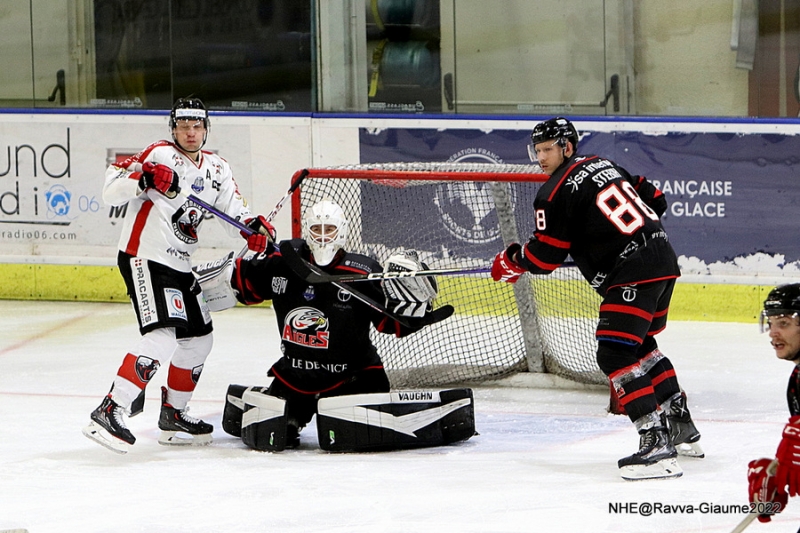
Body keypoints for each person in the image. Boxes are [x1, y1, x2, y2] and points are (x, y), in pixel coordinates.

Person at [490, 116, 702, 480]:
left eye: (547, 149)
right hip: (663, 260)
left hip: (631, 271)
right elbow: (655, 199)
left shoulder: (553, 191)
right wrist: (600, 234)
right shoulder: (604, 164)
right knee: (640, 345)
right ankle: (681, 425)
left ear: (567, 147)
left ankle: (656, 443)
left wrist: (512, 262)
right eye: (537, 150)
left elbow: (546, 257)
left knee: (614, 352)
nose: (540, 157)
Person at [83, 97, 275, 454]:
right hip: (146, 257)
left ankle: (173, 414)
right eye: (183, 126)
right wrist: (143, 180)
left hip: (180, 265)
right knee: (163, 335)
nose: (190, 132)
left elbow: (234, 210)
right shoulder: (157, 154)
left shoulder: (217, 169)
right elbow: (111, 189)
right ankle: (111, 408)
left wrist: (252, 227)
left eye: (197, 126)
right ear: (173, 129)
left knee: (200, 339)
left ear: (206, 129)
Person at [224, 199, 454, 449]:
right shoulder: (284, 262)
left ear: (341, 231)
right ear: (308, 231)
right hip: (297, 376)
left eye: (329, 229)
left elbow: (391, 324)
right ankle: (294, 411)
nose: (323, 237)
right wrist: (248, 248)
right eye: (317, 229)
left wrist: (415, 306)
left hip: (353, 377)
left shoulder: (363, 271)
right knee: (276, 434)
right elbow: (241, 284)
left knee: (349, 438)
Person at [746, 283, 800, 523]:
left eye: (784, 323)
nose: (773, 333)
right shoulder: (797, 379)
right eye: (771, 323)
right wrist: (779, 473)